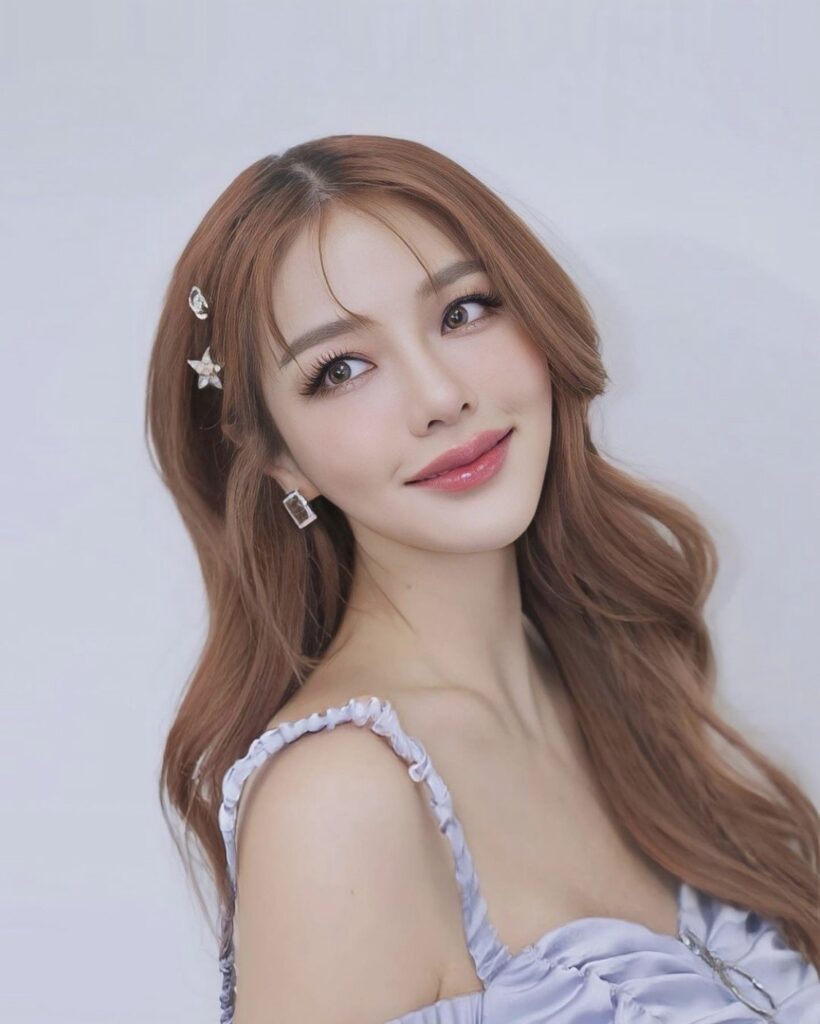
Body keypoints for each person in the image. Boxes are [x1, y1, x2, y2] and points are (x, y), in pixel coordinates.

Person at [146, 134, 819, 1023]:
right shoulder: (340, 805)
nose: (440, 396)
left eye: (463, 312)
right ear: (279, 457)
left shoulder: (603, 681)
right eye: (341, 369)